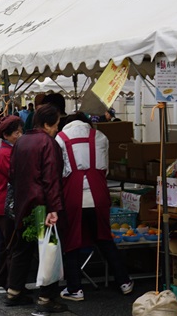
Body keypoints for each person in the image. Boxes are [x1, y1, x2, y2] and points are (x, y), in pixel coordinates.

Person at [56, 112, 133, 302]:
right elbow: (104, 168)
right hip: (98, 194)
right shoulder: (100, 137)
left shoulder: (60, 138)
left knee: (71, 241)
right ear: (87, 122)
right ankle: (124, 281)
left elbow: (60, 169)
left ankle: (75, 288)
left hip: (73, 195)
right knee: (104, 238)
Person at [5, 104, 67, 313]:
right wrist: (54, 208)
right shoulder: (49, 143)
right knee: (48, 250)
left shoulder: (21, 141)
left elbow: (12, 174)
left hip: (24, 203)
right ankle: (46, 298)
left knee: (22, 247)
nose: (57, 129)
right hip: (42, 205)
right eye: (56, 125)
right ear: (47, 124)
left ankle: (13, 291)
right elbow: (51, 179)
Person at [0, 115, 24, 290]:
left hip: (2, 203)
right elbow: (15, 175)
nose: (20, 135)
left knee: (5, 245)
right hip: (5, 204)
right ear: (6, 135)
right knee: (11, 246)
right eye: (17, 132)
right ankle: (12, 284)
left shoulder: (6, 150)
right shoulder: (5, 153)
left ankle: (0, 280)